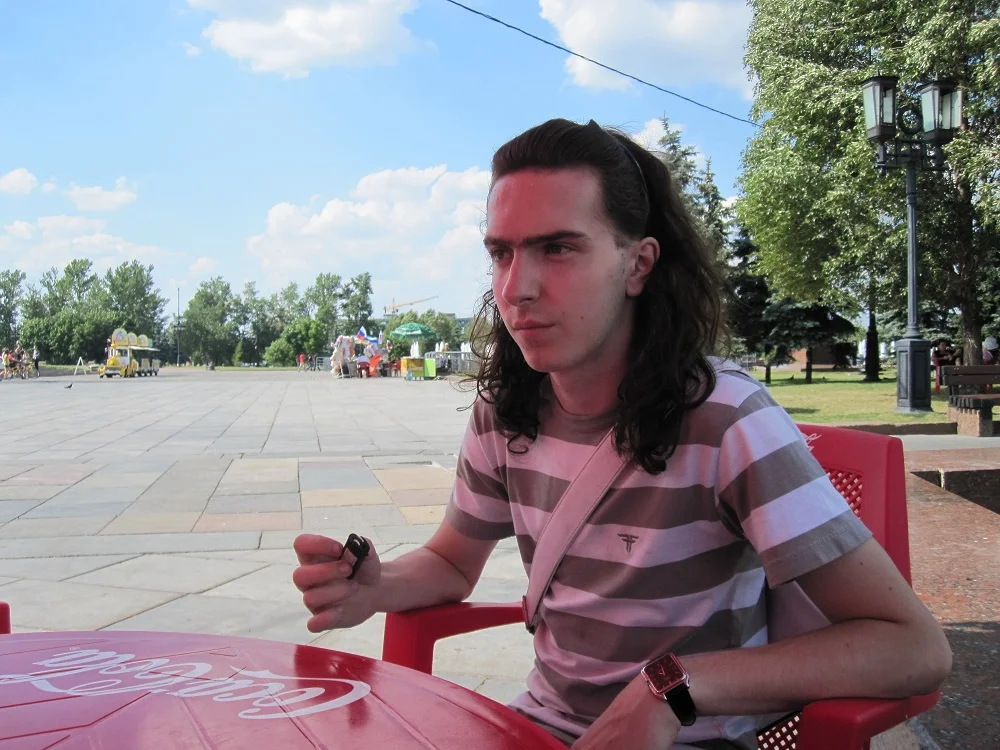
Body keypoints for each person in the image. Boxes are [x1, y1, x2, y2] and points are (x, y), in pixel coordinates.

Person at [292, 119, 951, 749]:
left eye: (558, 248)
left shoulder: (726, 421)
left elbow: (913, 646)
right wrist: (377, 586)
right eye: (501, 253)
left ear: (638, 265)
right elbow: (450, 564)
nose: (516, 289)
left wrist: (670, 689)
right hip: (538, 728)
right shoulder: (506, 410)